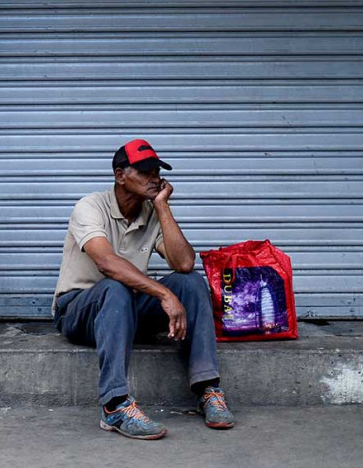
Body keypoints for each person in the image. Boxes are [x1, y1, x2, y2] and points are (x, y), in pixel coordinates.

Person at [51, 138, 235, 440]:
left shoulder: (151, 213)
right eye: (145, 171)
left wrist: (162, 206)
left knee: (190, 282)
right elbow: (107, 263)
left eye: (157, 171)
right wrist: (164, 294)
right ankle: (114, 406)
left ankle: (208, 389)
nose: (155, 178)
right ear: (120, 175)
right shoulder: (89, 206)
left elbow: (184, 262)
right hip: (78, 311)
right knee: (115, 285)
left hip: (126, 309)